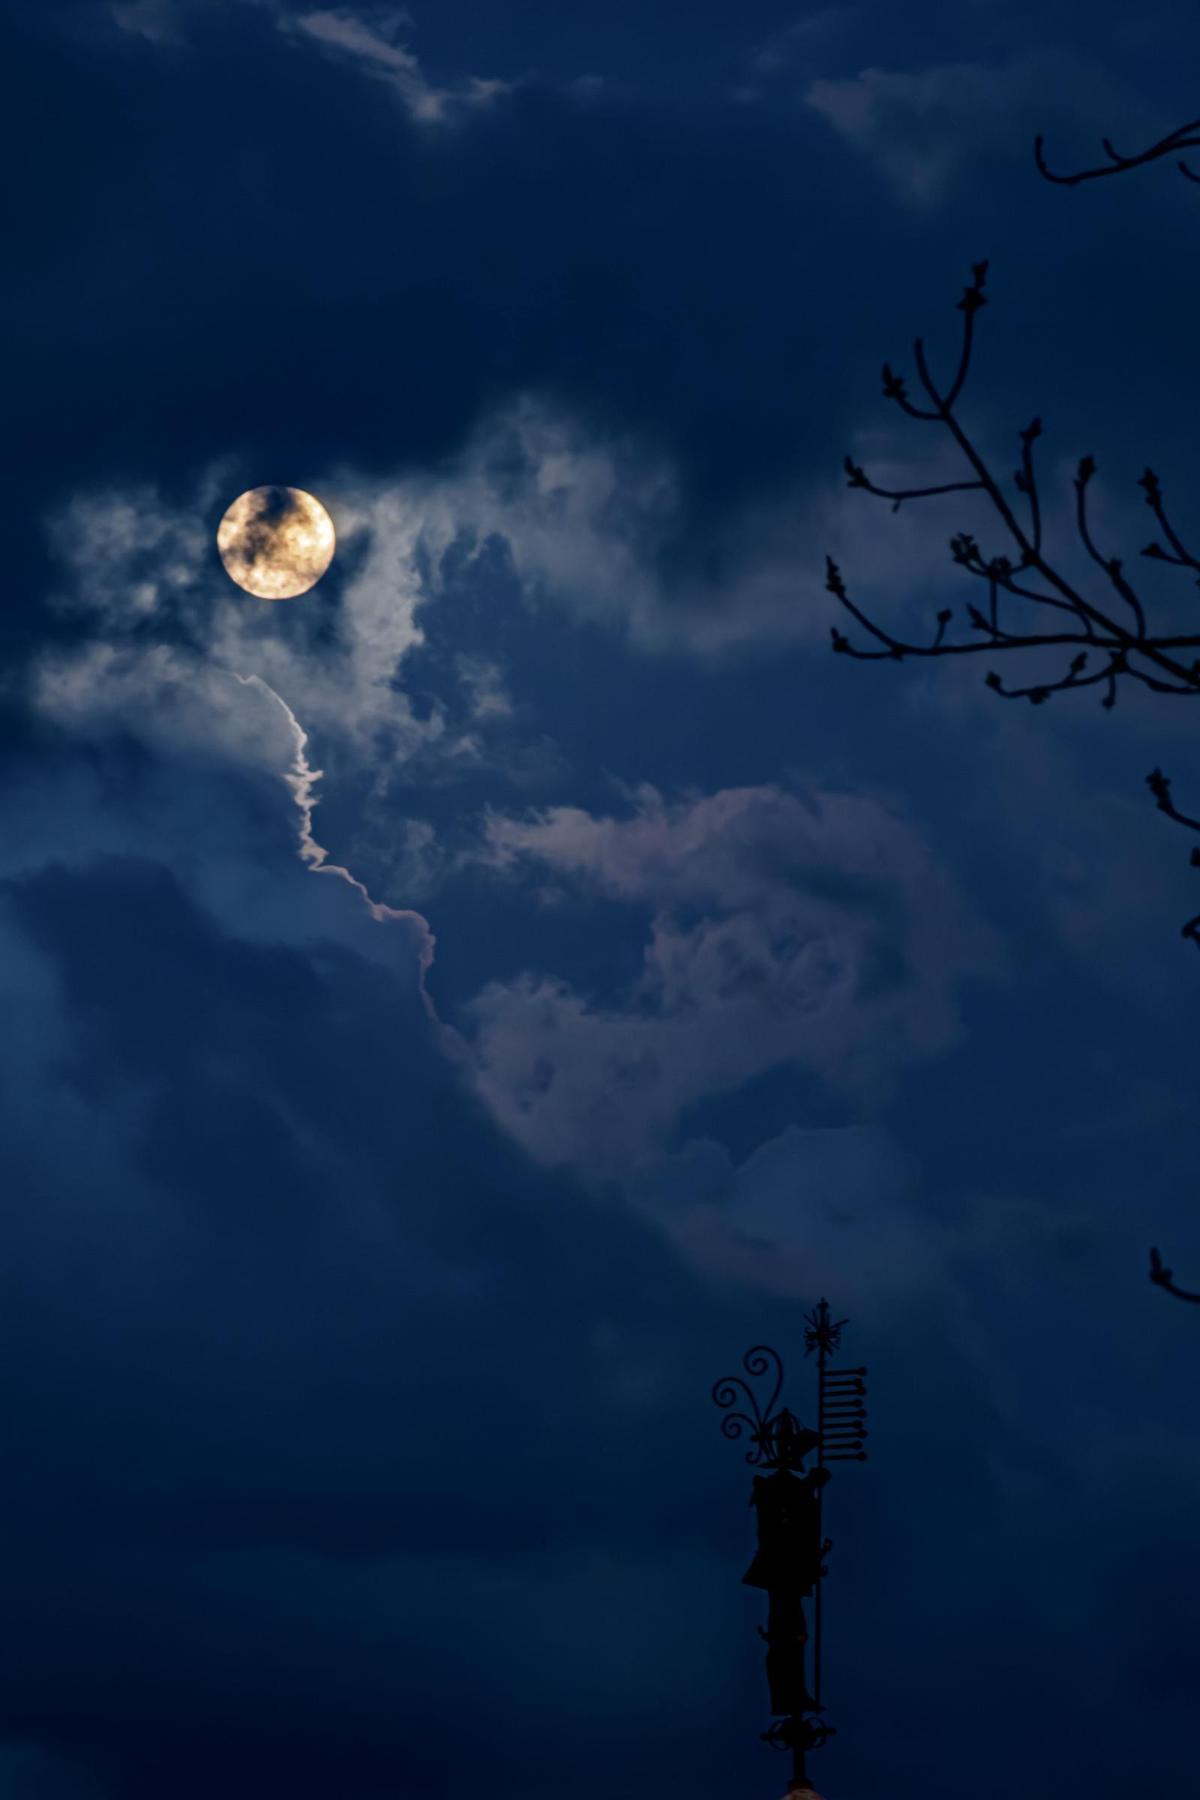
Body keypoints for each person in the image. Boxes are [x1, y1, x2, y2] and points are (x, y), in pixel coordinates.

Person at [742, 1410, 831, 1716]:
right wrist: (809, 1488)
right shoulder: (771, 1489)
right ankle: (788, 1695)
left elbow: (798, 1527)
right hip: (780, 1572)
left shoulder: (784, 1489)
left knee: (793, 1635)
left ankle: (794, 1693)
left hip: (788, 1572)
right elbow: (783, 1526)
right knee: (788, 1635)